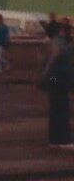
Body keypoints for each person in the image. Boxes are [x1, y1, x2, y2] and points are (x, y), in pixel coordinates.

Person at [37, 20, 72, 148]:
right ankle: (63, 139)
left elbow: (44, 60)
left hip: (54, 77)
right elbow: (53, 58)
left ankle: (55, 139)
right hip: (58, 77)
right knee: (61, 106)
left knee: (56, 106)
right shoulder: (59, 43)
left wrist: (44, 76)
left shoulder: (51, 42)